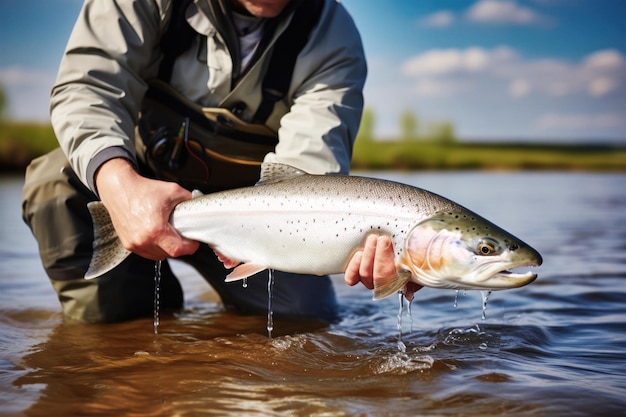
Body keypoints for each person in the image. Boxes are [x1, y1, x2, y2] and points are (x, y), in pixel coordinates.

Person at [22, 0, 402, 324]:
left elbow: (312, 167)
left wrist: (395, 261)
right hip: (136, 175)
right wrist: (118, 185)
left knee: (306, 319)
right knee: (55, 186)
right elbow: (90, 88)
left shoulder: (333, 34)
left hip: (260, 212)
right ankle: (128, 341)